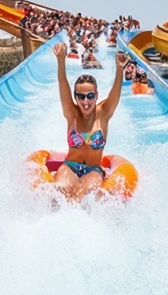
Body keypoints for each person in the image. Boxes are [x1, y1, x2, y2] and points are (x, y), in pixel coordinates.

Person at [52, 42, 129, 199]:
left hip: (94, 170)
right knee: (59, 190)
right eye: (81, 96)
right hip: (70, 167)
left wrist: (120, 70)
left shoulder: (104, 114)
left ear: (96, 95)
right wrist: (61, 60)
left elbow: (116, 94)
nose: (85, 101)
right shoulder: (71, 113)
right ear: (76, 97)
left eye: (90, 96)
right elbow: (62, 83)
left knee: (89, 194)